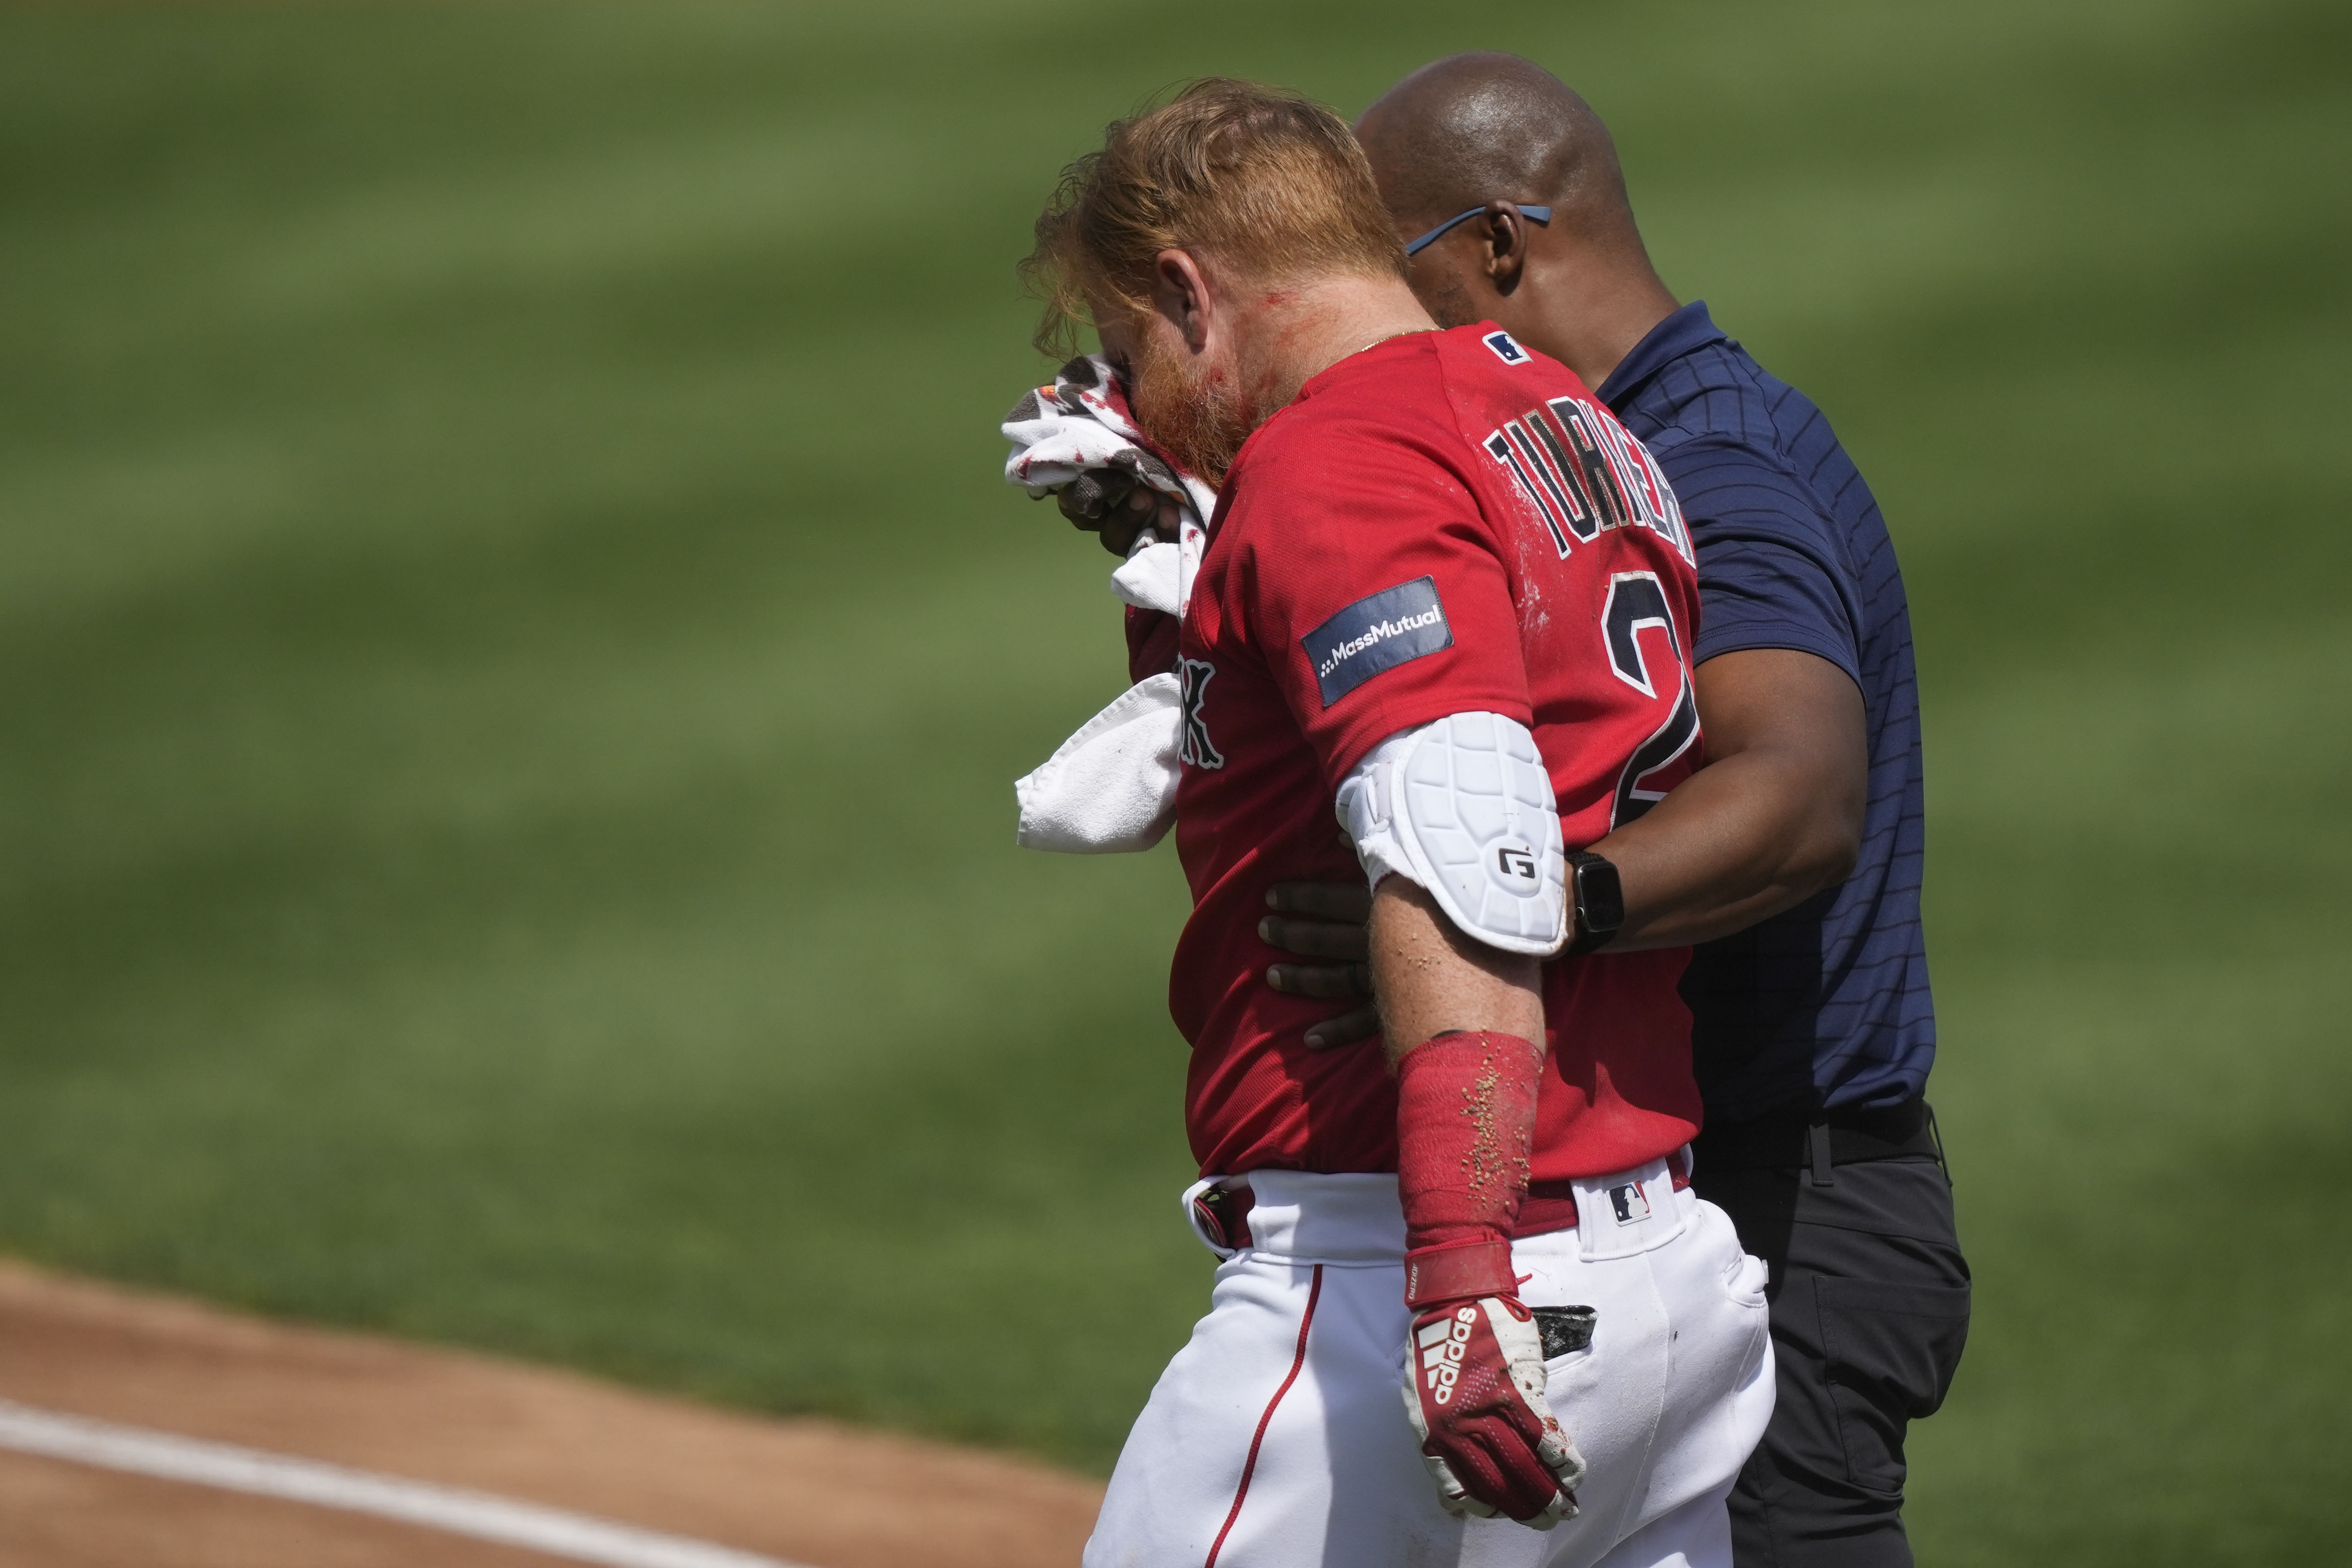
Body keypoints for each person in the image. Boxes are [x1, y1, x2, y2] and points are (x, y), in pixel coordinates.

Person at [1019, 79, 1772, 1568]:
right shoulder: (1553, 411)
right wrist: (1195, 565)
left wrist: (1459, 1277)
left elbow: (1466, 840)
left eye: (1128, 349)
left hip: (1406, 1279)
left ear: (1192, 293)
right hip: (1669, 1290)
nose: (1131, 393)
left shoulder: (1338, 465)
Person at [1232, 53, 1970, 1568]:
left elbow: (1798, 793)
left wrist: (1514, 900)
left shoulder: (1712, 457)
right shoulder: (1576, 444)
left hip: (1797, 1206)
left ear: (1499, 250)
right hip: (1735, 1192)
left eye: (1393, 265)